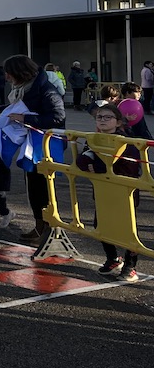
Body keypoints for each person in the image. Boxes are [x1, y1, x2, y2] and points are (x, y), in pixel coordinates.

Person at [1, 54, 65, 246]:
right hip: (32, 143)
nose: (7, 77)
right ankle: (39, 226)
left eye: (9, 73)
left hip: (45, 145)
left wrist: (26, 119)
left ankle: (47, 230)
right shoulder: (26, 88)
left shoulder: (46, 90)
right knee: (33, 187)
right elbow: (19, 108)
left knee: (43, 189)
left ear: (20, 72)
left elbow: (57, 117)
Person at [76, 103, 142, 281]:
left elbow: (128, 166)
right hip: (102, 191)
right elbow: (82, 160)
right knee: (101, 225)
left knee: (128, 230)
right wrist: (96, 165)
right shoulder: (93, 139)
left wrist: (99, 167)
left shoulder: (126, 142)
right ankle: (113, 258)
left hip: (124, 192)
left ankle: (130, 266)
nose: (103, 120)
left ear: (118, 122)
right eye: (99, 117)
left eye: (108, 117)